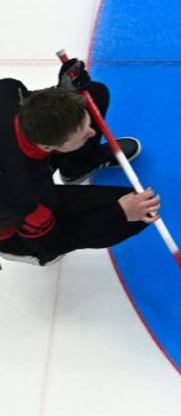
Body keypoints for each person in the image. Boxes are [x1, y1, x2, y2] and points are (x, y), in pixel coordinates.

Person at [0, 58, 157, 267]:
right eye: (84, 135)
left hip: (23, 161)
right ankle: (22, 252)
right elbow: (55, 242)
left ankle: (77, 168)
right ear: (48, 147)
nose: (93, 133)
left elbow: (39, 104)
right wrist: (119, 213)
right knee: (136, 213)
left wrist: (63, 91)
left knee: (93, 95)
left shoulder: (8, 91)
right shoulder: (27, 198)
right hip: (15, 222)